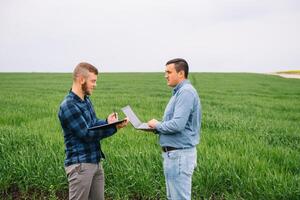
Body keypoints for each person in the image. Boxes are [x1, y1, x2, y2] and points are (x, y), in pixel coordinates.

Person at [58, 62, 127, 200]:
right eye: (93, 81)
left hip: (95, 162)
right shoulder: (68, 105)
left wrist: (108, 122)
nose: (95, 84)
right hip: (80, 166)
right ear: (81, 79)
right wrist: (113, 128)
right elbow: (86, 133)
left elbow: (93, 124)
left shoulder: (86, 100)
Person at [148, 58, 201, 200]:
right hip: (174, 156)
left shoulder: (186, 92)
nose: (165, 75)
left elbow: (178, 124)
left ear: (181, 73)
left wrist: (158, 125)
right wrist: (157, 128)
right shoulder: (179, 92)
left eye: (169, 72)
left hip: (179, 156)